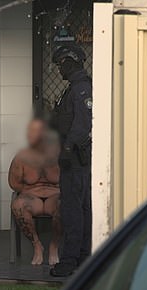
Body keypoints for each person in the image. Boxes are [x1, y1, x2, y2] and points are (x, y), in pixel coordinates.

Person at [48, 43, 92, 277]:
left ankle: (70, 260)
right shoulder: (74, 88)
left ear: (69, 62)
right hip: (73, 159)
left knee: (74, 211)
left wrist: (66, 149)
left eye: (60, 65)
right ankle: (82, 257)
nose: (58, 70)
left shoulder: (81, 88)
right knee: (80, 209)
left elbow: (82, 126)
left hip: (75, 159)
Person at [9, 118, 62, 266]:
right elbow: (14, 183)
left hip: (55, 196)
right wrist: (31, 192)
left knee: (66, 205)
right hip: (31, 197)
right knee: (18, 205)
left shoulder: (60, 155)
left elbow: (70, 179)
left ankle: (54, 245)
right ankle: (37, 245)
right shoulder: (22, 158)